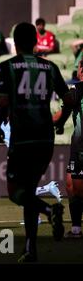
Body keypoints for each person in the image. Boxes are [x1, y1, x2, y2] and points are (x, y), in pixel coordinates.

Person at [0, 22, 73, 262]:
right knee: (29, 190)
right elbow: (68, 100)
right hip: (45, 137)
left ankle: (49, 210)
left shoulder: (6, 67)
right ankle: (30, 249)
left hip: (23, 136)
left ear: (15, 43)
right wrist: (60, 123)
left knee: (17, 193)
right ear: (36, 41)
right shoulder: (50, 67)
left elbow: (3, 103)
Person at [62, 60, 83, 238]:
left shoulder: (77, 90)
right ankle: (76, 228)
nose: (78, 72)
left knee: (78, 188)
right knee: (70, 185)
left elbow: (65, 109)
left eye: (80, 69)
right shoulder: (76, 90)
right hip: (77, 144)